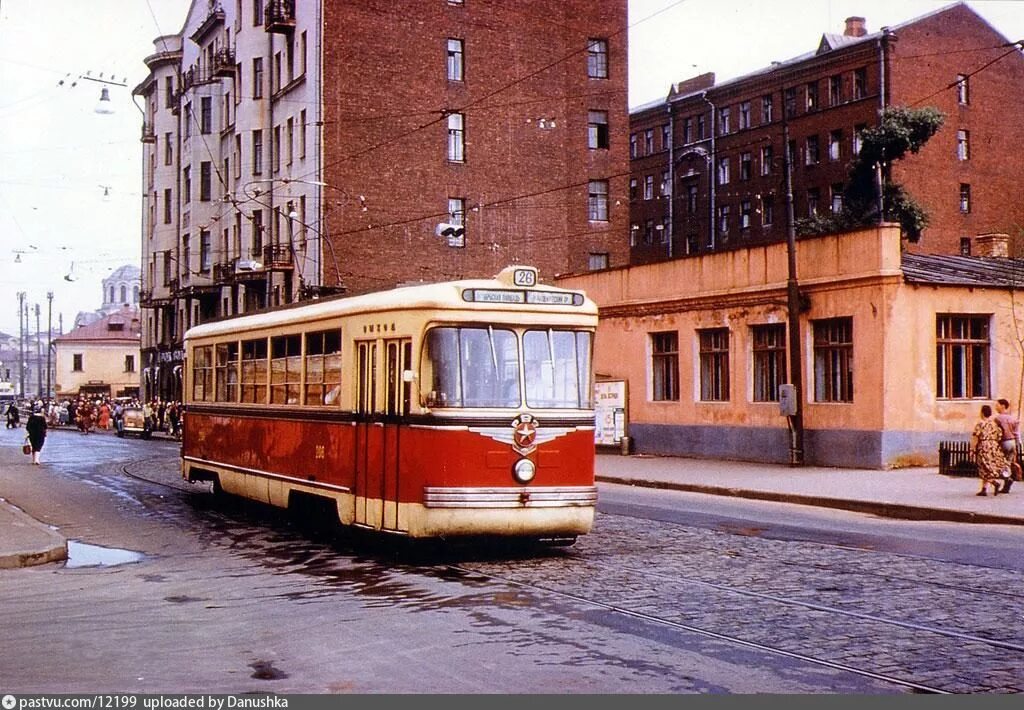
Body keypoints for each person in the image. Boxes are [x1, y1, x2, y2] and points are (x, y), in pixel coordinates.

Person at [971, 405, 1006, 496]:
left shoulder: (980, 424)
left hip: (984, 445)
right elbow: (999, 435)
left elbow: (975, 436)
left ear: (982, 412)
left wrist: (972, 449)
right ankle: (984, 489)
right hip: (993, 446)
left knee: (983, 467)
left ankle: (994, 482)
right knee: (989, 467)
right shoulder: (994, 424)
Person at [994, 398, 1020, 492]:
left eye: (997, 405)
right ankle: (1006, 485)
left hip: (1004, 442)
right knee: (1008, 463)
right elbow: (1017, 433)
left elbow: (997, 432)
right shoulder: (1013, 418)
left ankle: (1007, 479)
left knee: (1001, 463)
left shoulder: (998, 419)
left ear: (1003, 406)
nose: (996, 407)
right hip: (1012, 441)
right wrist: (1018, 443)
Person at [25, 401, 47, 466]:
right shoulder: (42, 418)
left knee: (34, 446)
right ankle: (37, 460)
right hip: (40, 434)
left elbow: (27, 427)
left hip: (32, 434)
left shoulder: (31, 417)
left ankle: (34, 460)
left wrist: (29, 432)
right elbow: (45, 426)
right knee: (38, 447)